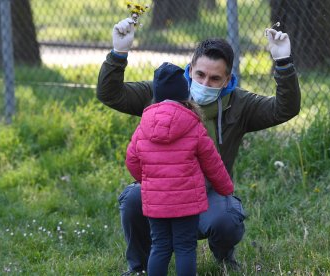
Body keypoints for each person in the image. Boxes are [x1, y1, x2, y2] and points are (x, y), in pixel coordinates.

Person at [97, 18, 301, 275]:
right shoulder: (162, 93)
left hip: (209, 195)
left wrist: (283, 63)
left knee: (226, 219)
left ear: (228, 79)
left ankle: (224, 256)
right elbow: (110, 94)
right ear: (190, 69)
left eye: (215, 78)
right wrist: (119, 53)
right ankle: (138, 267)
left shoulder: (240, 103)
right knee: (132, 199)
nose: (205, 83)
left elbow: (285, 109)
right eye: (200, 74)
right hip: (164, 188)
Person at [125, 62, 234, 276]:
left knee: (160, 246)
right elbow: (213, 163)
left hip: (155, 202)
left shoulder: (144, 125)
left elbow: (132, 160)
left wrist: (148, 180)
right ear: (185, 94)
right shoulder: (193, 124)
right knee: (185, 247)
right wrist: (225, 188)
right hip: (187, 203)